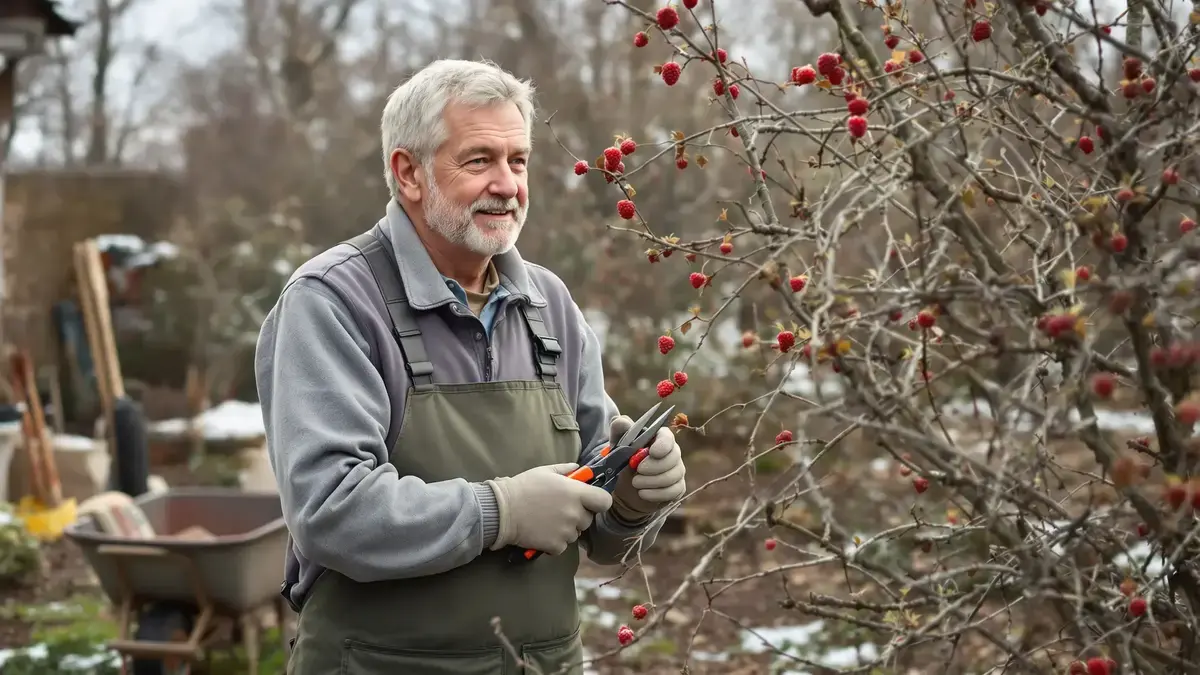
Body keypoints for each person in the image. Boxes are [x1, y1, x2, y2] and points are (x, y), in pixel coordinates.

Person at [254, 59, 688, 674]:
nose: (508, 185)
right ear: (409, 173)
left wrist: (633, 500)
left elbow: (600, 528)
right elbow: (332, 510)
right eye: (479, 160)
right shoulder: (333, 303)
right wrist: (500, 512)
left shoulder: (549, 304)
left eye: (518, 161)